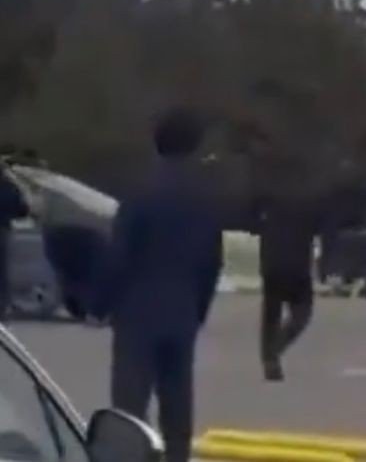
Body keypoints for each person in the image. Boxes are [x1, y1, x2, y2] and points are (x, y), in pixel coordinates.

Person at [98, 108, 223, 462]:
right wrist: (198, 309)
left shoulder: (140, 190)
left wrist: (100, 303)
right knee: (177, 406)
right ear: (195, 145)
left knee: (129, 409)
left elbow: (118, 254)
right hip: (182, 312)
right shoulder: (206, 196)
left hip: (136, 313)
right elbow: (212, 262)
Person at [253, 193, 320, 382]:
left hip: (277, 266)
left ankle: (270, 355)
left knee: (274, 315)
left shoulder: (270, 203)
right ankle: (272, 354)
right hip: (293, 267)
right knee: (299, 313)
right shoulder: (304, 201)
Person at [0, 167, 29, 319]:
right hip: (3, 230)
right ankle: (3, 307)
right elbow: (22, 210)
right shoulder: (10, 187)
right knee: (2, 271)